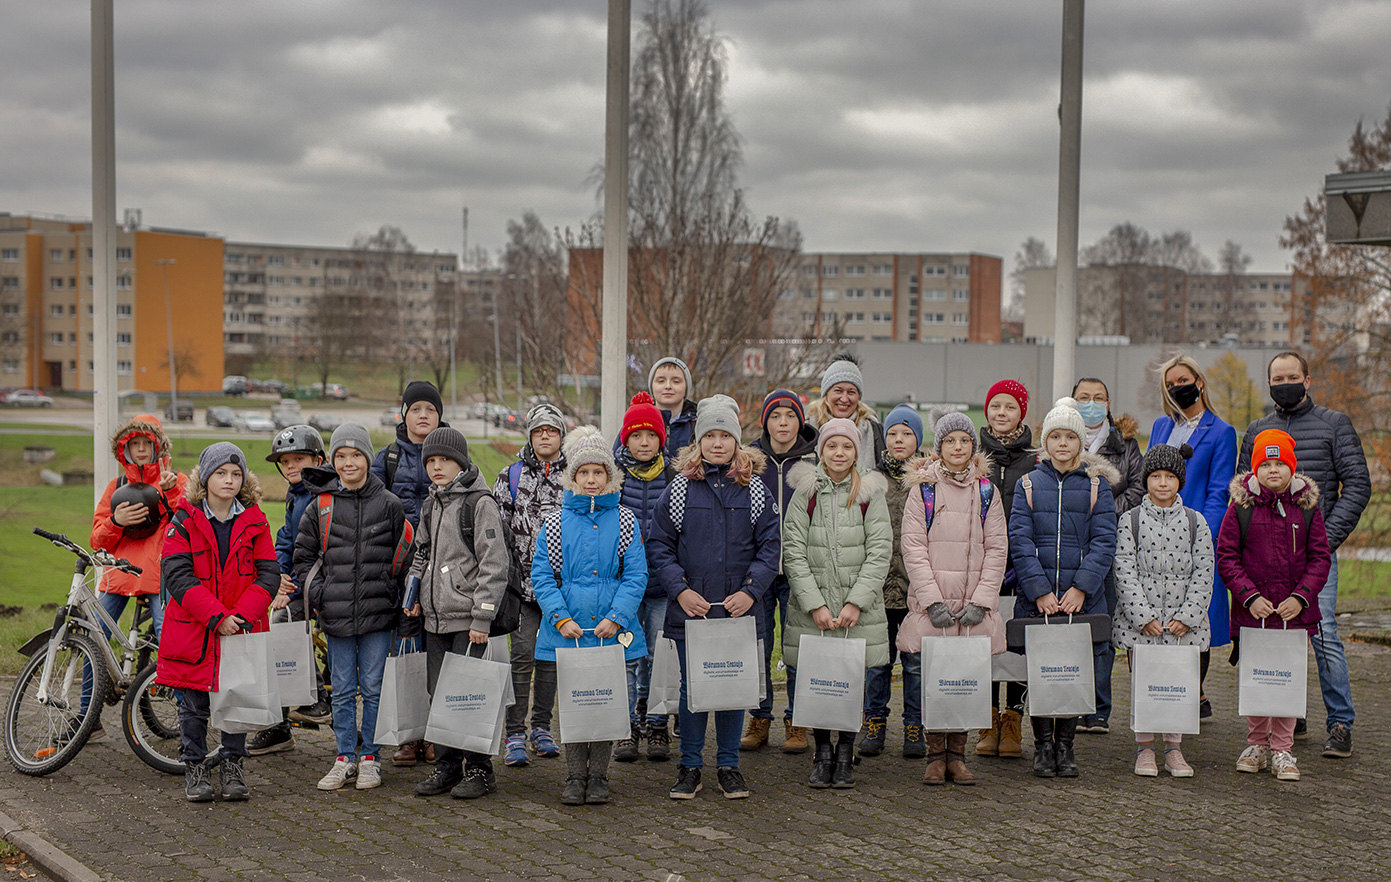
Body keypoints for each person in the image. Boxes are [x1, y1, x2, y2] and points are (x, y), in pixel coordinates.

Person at [647, 395, 781, 800]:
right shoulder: (680, 489)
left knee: (732, 689)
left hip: (738, 610)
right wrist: (680, 590)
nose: (718, 443)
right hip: (694, 611)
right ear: (698, 441)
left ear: (738, 442)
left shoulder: (755, 489)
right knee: (693, 689)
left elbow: (770, 547)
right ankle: (690, 765)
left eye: (726, 435)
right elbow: (659, 545)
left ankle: (728, 765)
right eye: (710, 435)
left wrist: (751, 590)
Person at [1237, 352, 1369, 759]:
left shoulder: (1334, 424)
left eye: (1293, 376)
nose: (1285, 382)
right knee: (1270, 635)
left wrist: (1324, 541)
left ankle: (1340, 721)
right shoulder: (1258, 429)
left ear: (1307, 380)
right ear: (1270, 382)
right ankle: (1285, 711)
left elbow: (1358, 484)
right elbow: (1242, 490)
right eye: (1278, 377)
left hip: (1313, 556)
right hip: (1264, 557)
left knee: (1323, 633)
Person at [531, 428, 650, 805]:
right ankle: (574, 774)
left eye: (599, 473)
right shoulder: (553, 524)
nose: (592, 480)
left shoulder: (627, 521)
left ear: (610, 476)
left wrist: (617, 616)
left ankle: (599, 775)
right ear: (573, 477)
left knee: (604, 700)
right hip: (570, 631)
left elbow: (636, 574)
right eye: (584, 473)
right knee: (575, 701)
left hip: (609, 630)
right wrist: (559, 618)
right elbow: (542, 576)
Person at [294, 424, 413, 792]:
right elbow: (303, 559)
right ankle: (345, 756)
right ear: (332, 461)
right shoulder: (321, 506)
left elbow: (406, 559)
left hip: (379, 614)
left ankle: (370, 758)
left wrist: (400, 601)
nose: (348, 463)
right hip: (337, 614)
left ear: (367, 458)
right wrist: (321, 597)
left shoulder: (390, 505)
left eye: (355, 455)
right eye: (340, 456)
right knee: (343, 689)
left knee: (374, 688)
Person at [158, 442, 277, 802]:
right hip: (194, 629)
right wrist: (216, 617)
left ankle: (232, 766)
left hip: (239, 627)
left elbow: (268, 573)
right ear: (205, 477)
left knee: (235, 699)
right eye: (221, 473)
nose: (228, 480)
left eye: (236, 473)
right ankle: (195, 767)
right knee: (192, 706)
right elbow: (177, 575)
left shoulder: (255, 520)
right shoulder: (183, 520)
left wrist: (239, 617)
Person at [897, 409, 1009, 786]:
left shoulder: (987, 492)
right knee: (934, 679)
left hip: (972, 608)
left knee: (965, 680)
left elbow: (997, 548)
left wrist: (982, 599)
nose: (957, 447)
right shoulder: (923, 492)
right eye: (950, 441)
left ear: (973, 446)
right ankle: (934, 754)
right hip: (936, 607)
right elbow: (912, 548)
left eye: (964, 440)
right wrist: (932, 601)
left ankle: (957, 755)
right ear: (939, 447)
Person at [1010, 398, 1118, 779]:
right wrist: (1039, 589)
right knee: (1041, 672)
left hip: (1080, 602)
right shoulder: (1028, 484)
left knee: (1072, 671)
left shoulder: (1096, 486)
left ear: (1081, 442)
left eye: (1070, 436)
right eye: (1054, 436)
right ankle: (1042, 746)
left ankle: (1066, 747)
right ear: (1045, 441)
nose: (1062, 443)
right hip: (1038, 600)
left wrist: (1082, 589)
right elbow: (1019, 540)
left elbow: (1105, 541)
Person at [781, 419, 892, 788]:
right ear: (821, 451)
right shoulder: (806, 493)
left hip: (854, 610)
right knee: (817, 681)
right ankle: (822, 751)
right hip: (815, 610)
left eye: (846, 447)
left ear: (856, 452)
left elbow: (880, 551)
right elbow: (793, 550)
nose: (839, 453)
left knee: (849, 681)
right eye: (832, 446)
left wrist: (856, 601)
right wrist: (814, 603)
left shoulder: (869, 494)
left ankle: (846, 752)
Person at [1217, 430, 1331, 782]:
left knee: (1287, 680)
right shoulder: (1241, 509)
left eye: (1280, 463)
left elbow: (1320, 559)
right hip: (1255, 616)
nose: (1273, 470)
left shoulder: (1307, 509)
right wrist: (1249, 597)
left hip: (1294, 617)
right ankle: (1256, 743)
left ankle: (1282, 748)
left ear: (1292, 467)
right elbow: (1226, 556)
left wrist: (1301, 598)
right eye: (1265, 464)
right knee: (1258, 680)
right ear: (1254, 469)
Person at [404, 427, 511, 800]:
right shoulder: (431, 503)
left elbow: (494, 564)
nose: (436, 467)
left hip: (468, 621)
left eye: (444, 460)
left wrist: (482, 617)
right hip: (434, 618)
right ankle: (447, 767)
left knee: (469, 694)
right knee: (441, 694)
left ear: (460, 463)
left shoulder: (479, 504)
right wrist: (413, 588)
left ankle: (480, 769)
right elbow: (421, 551)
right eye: (430, 461)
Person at [1111, 444, 1213, 778]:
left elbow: (1204, 572)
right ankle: (1145, 748)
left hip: (1182, 627)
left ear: (1180, 480)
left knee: (1177, 686)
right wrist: (1143, 616)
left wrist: (1188, 616)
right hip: (1145, 626)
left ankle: (1173, 749)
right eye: (1156, 476)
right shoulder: (1131, 520)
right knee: (1147, 686)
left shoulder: (1196, 522)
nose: (1163, 483)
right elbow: (1123, 569)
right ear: (1146, 480)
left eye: (1170, 476)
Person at [1147, 354, 1236, 720]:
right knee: (1156, 616)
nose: (1176, 389)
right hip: (1154, 536)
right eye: (1170, 385)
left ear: (1199, 381)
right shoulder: (1159, 426)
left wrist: (1200, 535)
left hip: (1195, 538)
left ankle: (1193, 695)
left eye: (1182, 380)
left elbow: (1219, 492)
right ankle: (1160, 692)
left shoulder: (1221, 432)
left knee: (1194, 618)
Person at [87, 413, 187, 738]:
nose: (142, 449)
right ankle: (87, 719)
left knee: (171, 643)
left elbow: (187, 523)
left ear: (158, 446)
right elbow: (97, 539)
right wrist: (116, 520)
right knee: (92, 638)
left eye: (147, 443)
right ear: (124, 449)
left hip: (160, 577)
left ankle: (189, 722)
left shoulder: (176, 480)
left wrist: (170, 493)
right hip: (120, 576)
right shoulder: (115, 487)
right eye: (135, 443)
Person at [372, 380, 446, 765]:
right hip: (399, 571)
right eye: (415, 409)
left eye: (430, 410)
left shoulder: (452, 455)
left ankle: (435, 732)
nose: (422, 416)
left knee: (438, 652)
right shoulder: (386, 460)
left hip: (444, 574)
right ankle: (408, 734)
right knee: (405, 652)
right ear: (403, 413)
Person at [247, 425, 332, 757]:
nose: (291, 466)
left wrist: (290, 586)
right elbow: (286, 541)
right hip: (300, 580)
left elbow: (319, 549)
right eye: (285, 461)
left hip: (323, 583)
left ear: (318, 459)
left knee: (282, 622)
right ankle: (278, 727)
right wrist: (278, 573)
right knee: (268, 633)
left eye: (299, 458)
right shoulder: (297, 493)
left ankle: (316, 700)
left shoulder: (322, 494)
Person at [494, 403, 569, 766]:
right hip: (521, 589)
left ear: (560, 436)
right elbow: (496, 532)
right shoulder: (510, 476)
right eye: (539, 430)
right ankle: (515, 733)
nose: (545, 436)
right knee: (521, 657)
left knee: (551, 660)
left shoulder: (575, 476)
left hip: (560, 590)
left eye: (551, 431)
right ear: (530, 435)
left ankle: (542, 727)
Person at [746, 389, 818, 754]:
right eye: (776, 416)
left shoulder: (813, 462)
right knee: (759, 643)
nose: (784, 423)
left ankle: (797, 719)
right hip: (758, 569)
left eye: (791, 416)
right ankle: (759, 716)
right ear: (766, 422)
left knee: (797, 648)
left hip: (798, 570)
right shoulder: (749, 461)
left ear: (800, 421)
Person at [1072, 377, 1144, 734]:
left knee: (1103, 623)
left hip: (1111, 543)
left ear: (1109, 404)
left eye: (1098, 398)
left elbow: (1138, 488)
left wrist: (1102, 510)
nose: (1091, 403)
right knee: (1070, 626)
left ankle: (1099, 708)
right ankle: (1072, 701)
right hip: (1069, 545)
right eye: (1083, 397)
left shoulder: (1126, 445)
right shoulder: (1061, 440)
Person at [614, 393, 676, 762]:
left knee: (657, 655)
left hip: (661, 585)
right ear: (625, 439)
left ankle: (656, 724)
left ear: (660, 440)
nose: (643, 442)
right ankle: (626, 727)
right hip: (623, 585)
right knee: (624, 654)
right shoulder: (613, 478)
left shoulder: (673, 477)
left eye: (651, 435)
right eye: (636, 435)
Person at [860, 403, 923, 759]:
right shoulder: (872, 481)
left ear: (918, 439)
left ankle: (914, 725)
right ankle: (875, 721)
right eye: (893, 433)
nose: (899, 440)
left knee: (914, 664)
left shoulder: (927, 479)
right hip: (879, 590)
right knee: (877, 663)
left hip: (915, 592)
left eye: (907, 433)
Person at [977, 380, 1033, 759]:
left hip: (1020, 569)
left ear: (1021, 413)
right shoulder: (972, 453)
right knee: (984, 644)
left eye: (1009, 407)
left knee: (1016, 644)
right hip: (980, 570)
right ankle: (986, 718)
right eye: (995, 405)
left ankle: (1012, 720)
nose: (1001, 413)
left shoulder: (1035, 459)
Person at [806, 354, 885, 471]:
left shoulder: (873, 431)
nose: (844, 398)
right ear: (826, 393)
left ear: (858, 396)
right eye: (838, 390)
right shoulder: (807, 430)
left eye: (851, 392)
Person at [648, 356, 699, 458]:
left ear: (686, 388)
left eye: (676, 381)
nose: (668, 386)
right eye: (661, 381)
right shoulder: (638, 419)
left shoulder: (698, 423)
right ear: (652, 386)